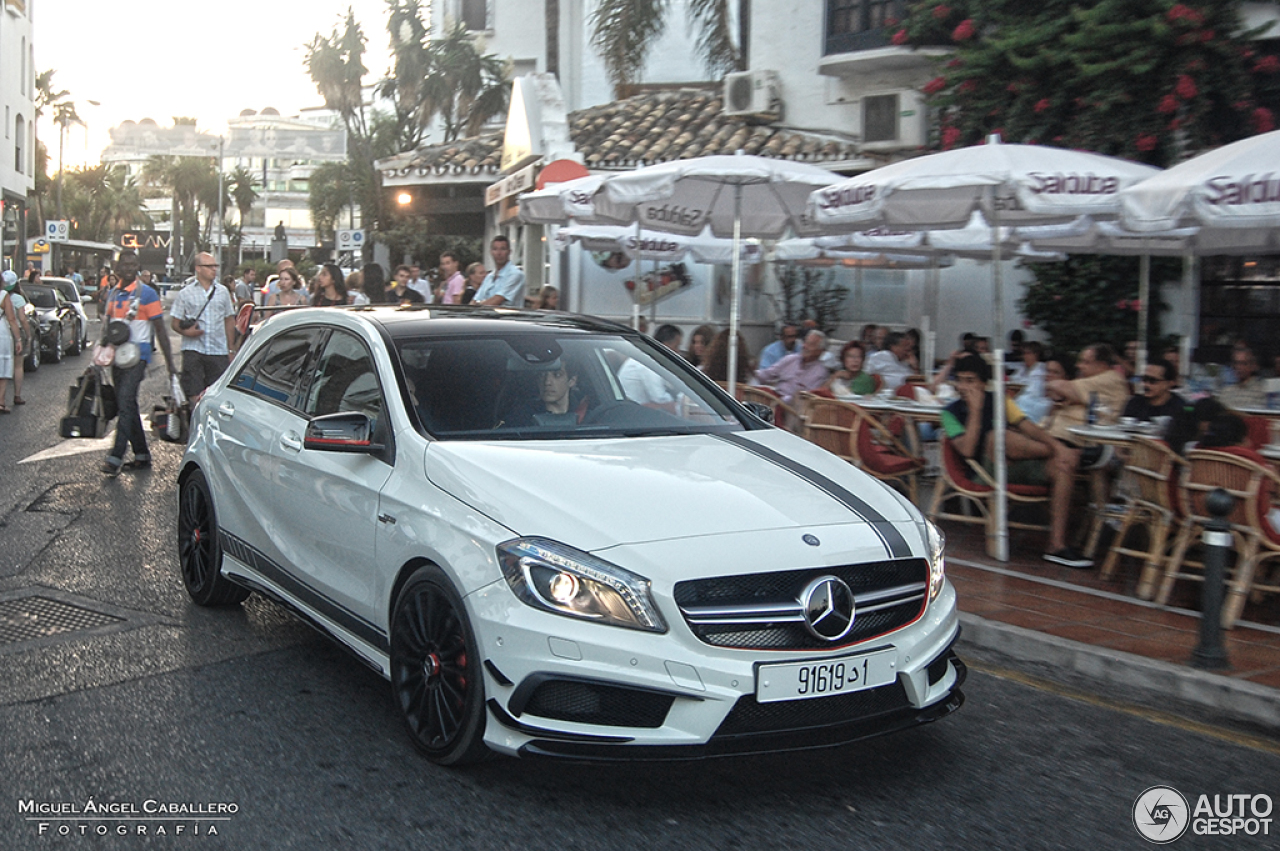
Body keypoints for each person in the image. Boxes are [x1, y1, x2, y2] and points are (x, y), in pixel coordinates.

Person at [1040, 343, 1130, 568]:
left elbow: (1056, 386)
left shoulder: (1110, 379)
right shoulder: (1090, 383)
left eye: (1086, 362)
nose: (1079, 365)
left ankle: (1057, 544)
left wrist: (1067, 394)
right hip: (1057, 439)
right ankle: (1057, 544)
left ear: (1102, 365)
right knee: (1059, 460)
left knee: (1063, 463)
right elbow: (1052, 389)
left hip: (1089, 446)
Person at [101, 249, 175, 477]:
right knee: (128, 404)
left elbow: (161, 330)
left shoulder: (148, 294)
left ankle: (115, 456)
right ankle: (142, 454)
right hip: (116, 356)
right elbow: (108, 328)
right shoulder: (113, 294)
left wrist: (170, 363)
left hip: (137, 357)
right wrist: (100, 355)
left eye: (134, 265)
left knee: (125, 401)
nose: (130, 269)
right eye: (126, 265)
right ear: (118, 269)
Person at [940, 353, 1061, 489]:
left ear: (983, 383)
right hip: (982, 471)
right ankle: (1054, 450)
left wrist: (1055, 444)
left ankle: (1058, 451)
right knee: (997, 437)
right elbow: (967, 451)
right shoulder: (949, 413)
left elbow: (1025, 425)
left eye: (970, 381)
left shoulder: (999, 400)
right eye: (959, 380)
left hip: (1013, 464)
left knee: (1061, 468)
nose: (963, 387)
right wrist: (975, 411)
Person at [172, 252, 239, 402]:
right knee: (194, 392)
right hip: (193, 349)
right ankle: (193, 421)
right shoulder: (185, 293)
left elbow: (229, 319)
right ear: (198, 268)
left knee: (216, 394)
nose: (214, 269)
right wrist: (186, 332)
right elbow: (175, 323)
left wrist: (231, 348)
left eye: (215, 266)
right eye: (209, 266)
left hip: (217, 349)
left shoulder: (222, 292)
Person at [754, 329, 831, 404]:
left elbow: (806, 398)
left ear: (821, 351)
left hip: (794, 407)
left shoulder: (821, 372)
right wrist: (749, 372)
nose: (804, 346)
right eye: (805, 342)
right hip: (775, 398)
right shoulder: (790, 359)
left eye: (811, 344)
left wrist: (780, 401)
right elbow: (766, 374)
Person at [619, 324, 682, 406]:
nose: (678, 351)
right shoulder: (647, 362)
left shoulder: (650, 359)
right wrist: (681, 403)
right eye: (676, 346)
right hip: (634, 412)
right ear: (666, 345)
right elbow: (660, 398)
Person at [1122, 359, 1186, 433]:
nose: (1146, 385)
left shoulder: (1179, 407)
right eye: (1144, 379)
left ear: (1170, 383)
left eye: (1153, 381)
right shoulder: (1135, 402)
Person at [474, 235, 526, 306]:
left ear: (509, 252)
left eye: (503, 249)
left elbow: (497, 300)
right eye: (495, 249)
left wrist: (478, 305)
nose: (499, 253)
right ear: (491, 252)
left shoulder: (515, 274)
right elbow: (475, 300)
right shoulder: (489, 277)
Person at [0, 271, 24, 413]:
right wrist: (18, 339)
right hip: (1, 333)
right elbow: (12, 319)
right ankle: (1, 402)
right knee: (3, 367)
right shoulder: (3, 296)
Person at [1012, 341, 1051, 422]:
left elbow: (1034, 392)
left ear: (1036, 354)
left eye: (1028, 353)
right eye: (1024, 353)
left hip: (1033, 405)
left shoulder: (1041, 370)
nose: (1025, 356)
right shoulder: (1022, 368)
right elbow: (1013, 379)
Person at [1219, 345, 1266, 409]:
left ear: (1252, 366)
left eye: (1243, 363)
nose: (1239, 367)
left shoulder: (1262, 391)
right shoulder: (1225, 391)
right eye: (1236, 363)